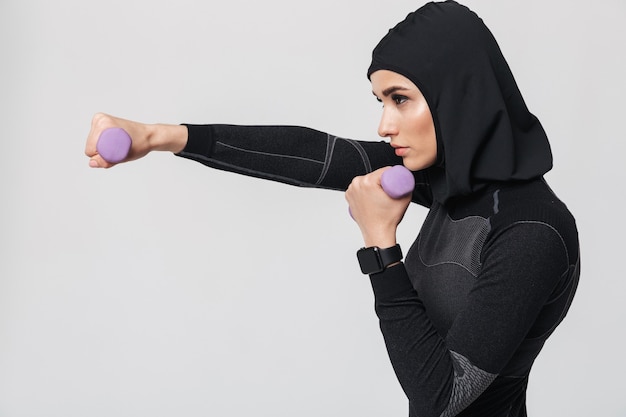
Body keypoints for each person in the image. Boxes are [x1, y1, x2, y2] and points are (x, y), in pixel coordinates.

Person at [84, 1, 580, 416]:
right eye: (381, 100)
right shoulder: (454, 181)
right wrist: (159, 137)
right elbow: (317, 155)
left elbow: (442, 396)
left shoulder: (532, 230)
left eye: (400, 99)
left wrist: (382, 248)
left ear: (457, 97)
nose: (385, 124)